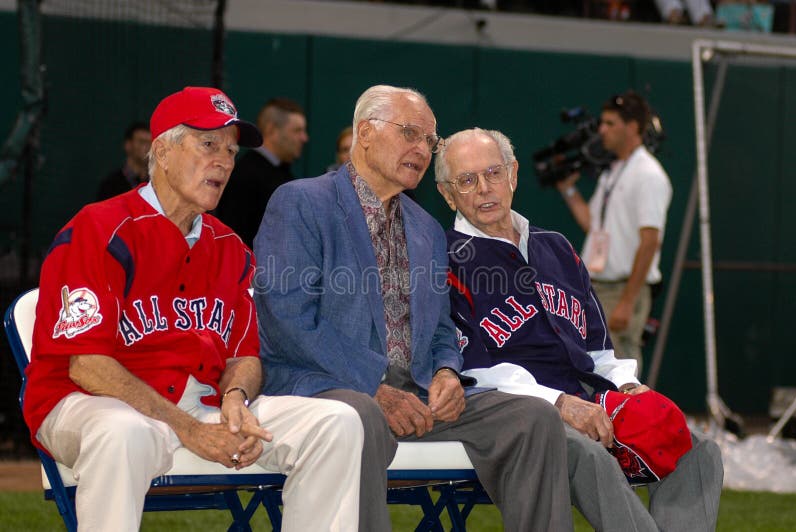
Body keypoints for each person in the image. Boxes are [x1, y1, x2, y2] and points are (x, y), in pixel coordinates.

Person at [22, 86, 361, 532]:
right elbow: (88, 366)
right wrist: (189, 429)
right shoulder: (99, 228)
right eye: (208, 144)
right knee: (121, 433)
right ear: (162, 151)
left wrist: (236, 398)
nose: (223, 160)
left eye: (231, 150)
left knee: (335, 423)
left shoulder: (230, 247)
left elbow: (244, 356)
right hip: (91, 401)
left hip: (198, 405)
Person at [253, 85, 573, 532]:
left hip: (418, 396)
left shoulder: (424, 227)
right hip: (327, 390)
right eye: (410, 134)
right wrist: (375, 389)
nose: (422, 149)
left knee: (532, 418)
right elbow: (287, 320)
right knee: (359, 416)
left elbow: (441, 327)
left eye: (430, 140)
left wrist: (445, 372)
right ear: (365, 133)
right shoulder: (302, 202)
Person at [436, 127, 723, 532]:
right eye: (467, 180)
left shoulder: (556, 246)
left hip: (593, 400)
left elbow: (599, 350)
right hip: (525, 415)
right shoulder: (447, 260)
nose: (484, 188)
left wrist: (626, 386)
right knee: (583, 451)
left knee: (692, 448)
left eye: (493, 173)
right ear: (449, 195)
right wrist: (559, 403)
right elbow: (473, 371)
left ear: (513, 174)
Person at [556, 91, 672, 375]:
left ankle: (630, 419)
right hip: (598, 285)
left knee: (619, 366)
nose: (602, 130)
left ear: (632, 127)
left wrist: (628, 300)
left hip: (621, 287)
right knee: (594, 366)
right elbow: (594, 226)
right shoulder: (613, 172)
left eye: (610, 123)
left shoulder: (648, 174)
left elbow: (650, 241)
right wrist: (568, 190)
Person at [216, 97, 308, 248]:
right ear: (272, 130)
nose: (304, 138)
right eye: (297, 130)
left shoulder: (281, 172)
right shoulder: (245, 176)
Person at [95, 121, 151, 200]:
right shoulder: (111, 185)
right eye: (142, 142)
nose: (148, 147)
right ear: (128, 145)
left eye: (151, 143)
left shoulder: (156, 184)